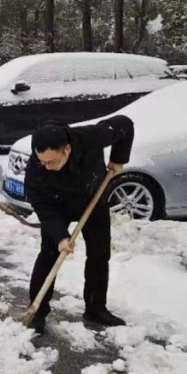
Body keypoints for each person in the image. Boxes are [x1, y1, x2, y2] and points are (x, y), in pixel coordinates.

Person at [24, 117, 134, 335]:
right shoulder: (36, 170)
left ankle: (95, 308)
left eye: (52, 162)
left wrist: (118, 158)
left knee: (99, 254)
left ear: (67, 148)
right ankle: (37, 311)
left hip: (93, 200)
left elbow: (124, 124)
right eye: (43, 161)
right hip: (57, 205)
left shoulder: (90, 137)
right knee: (49, 254)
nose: (48, 167)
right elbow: (43, 207)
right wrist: (60, 237)